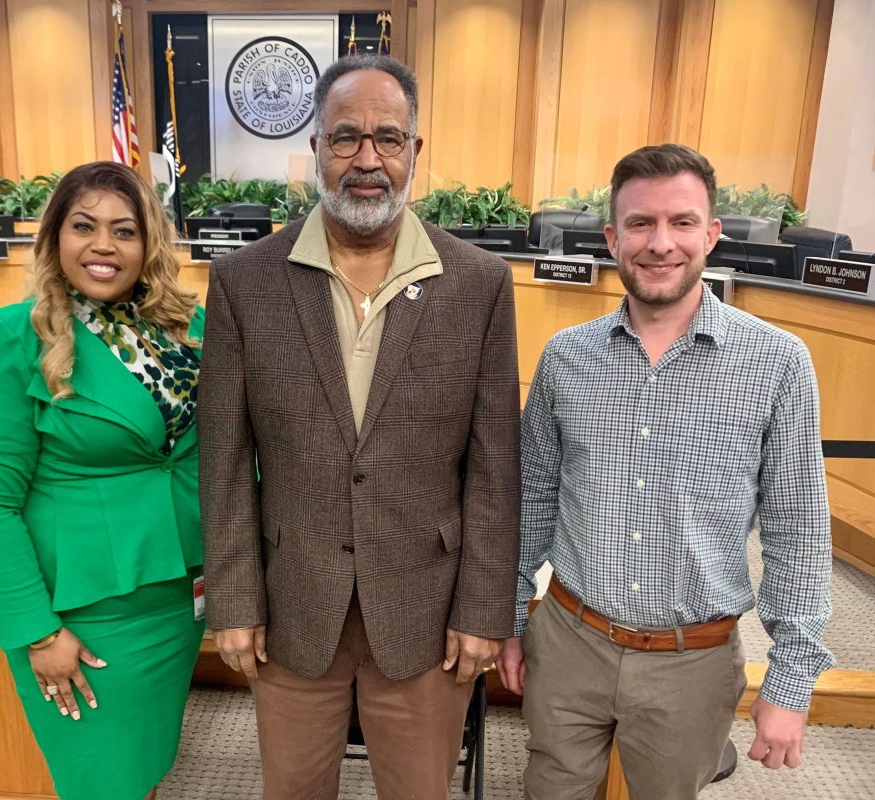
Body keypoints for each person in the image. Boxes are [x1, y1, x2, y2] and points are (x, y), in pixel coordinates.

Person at [198, 54, 520, 799]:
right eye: (346, 138)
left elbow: (495, 466)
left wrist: (483, 608)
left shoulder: (478, 283)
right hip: (292, 605)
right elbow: (224, 459)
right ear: (316, 148)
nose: (368, 159)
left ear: (414, 151)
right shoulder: (244, 281)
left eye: (388, 138)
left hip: (427, 611)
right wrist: (234, 600)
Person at [496, 143, 834, 799]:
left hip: (693, 662)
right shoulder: (565, 358)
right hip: (568, 642)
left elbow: (797, 530)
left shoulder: (778, 363)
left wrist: (791, 682)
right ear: (612, 238)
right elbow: (530, 500)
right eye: (640, 224)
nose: (660, 243)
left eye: (681, 222)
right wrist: (509, 618)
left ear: (711, 234)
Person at [0, 161, 206, 800]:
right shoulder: (11, 338)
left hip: (177, 597)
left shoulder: (186, 330)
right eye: (84, 227)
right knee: (101, 781)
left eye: (124, 230)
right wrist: (37, 631)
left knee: (145, 768)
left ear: (148, 244)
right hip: (81, 612)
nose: (103, 245)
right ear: (55, 237)